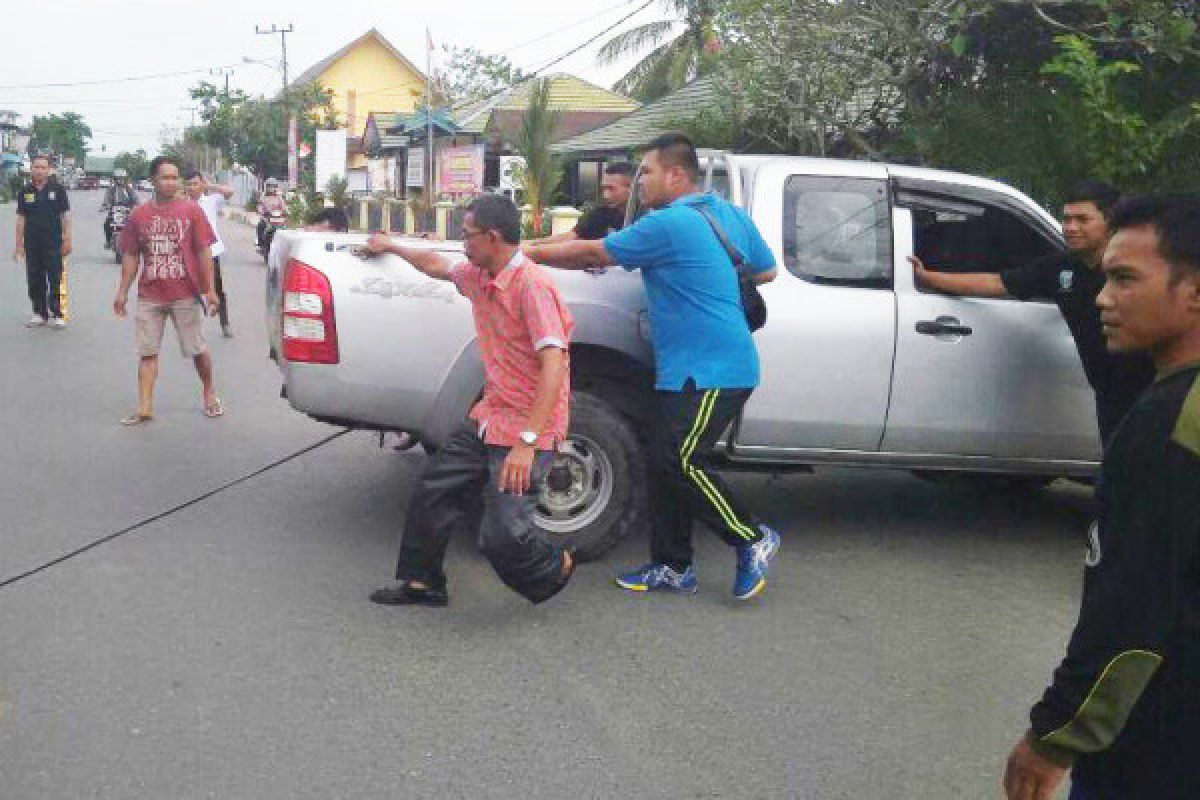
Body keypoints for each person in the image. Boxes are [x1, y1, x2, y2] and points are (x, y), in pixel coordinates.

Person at [523, 132, 782, 601]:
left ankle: (750, 537)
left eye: (647, 171)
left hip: (715, 368)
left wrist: (527, 254)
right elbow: (765, 271)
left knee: (681, 459)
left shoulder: (672, 223)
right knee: (663, 464)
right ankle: (672, 566)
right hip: (686, 366)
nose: (639, 180)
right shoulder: (725, 214)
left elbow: (594, 253)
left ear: (676, 175)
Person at [1002, 194, 1200, 800]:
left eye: (1124, 279)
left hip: (1160, 745)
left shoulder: (1169, 428)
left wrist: (1056, 733)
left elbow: (1130, 613)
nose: (1101, 298)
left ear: (1194, 292)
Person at [361, 194, 575, 608]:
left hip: (528, 429)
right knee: (434, 487)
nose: (462, 244)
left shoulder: (532, 288)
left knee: (501, 538)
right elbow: (435, 265)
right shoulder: (480, 275)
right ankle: (423, 584)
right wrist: (389, 245)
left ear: (493, 238)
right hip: (489, 417)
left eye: (467, 235)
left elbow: (555, 367)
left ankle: (555, 567)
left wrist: (527, 444)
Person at [911, 181, 1156, 446]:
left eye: (1082, 220)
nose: (1071, 227)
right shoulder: (1061, 267)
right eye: (1067, 219)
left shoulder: (1138, 266)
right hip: (1109, 394)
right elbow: (997, 283)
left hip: (1153, 390)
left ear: (1110, 222)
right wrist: (928, 278)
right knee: (1119, 466)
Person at [114, 155, 223, 425]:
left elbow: (204, 251)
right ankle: (144, 406)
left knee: (197, 349)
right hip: (150, 295)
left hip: (185, 294)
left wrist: (210, 290)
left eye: (175, 177)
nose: (171, 182)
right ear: (153, 180)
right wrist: (122, 292)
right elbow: (130, 256)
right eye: (165, 177)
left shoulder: (191, 211)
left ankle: (209, 393)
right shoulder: (139, 215)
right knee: (147, 351)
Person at [13, 154, 71, 329]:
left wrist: (67, 239)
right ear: (31, 169)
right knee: (35, 279)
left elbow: (64, 216)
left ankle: (58, 314)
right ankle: (39, 313)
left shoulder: (58, 189)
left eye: (42, 167)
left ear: (49, 170)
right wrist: (19, 245)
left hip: (53, 243)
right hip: (32, 244)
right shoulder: (25, 191)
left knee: (55, 278)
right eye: (36, 167)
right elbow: (21, 219)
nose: (39, 170)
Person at [526, 161, 634, 244]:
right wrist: (532, 245)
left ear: (632, 188)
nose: (605, 195)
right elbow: (572, 237)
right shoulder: (601, 214)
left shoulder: (646, 217)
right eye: (604, 189)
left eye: (611, 189)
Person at [184, 169, 236, 337]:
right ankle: (192, 327)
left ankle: (225, 323)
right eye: (189, 184)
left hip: (211, 251)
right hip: (189, 253)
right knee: (190, 290)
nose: (192, 187)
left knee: (217, 288)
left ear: (201, 184)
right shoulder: (182, 204)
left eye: (196, 183)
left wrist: (210, 185)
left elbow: (229, 191)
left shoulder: (211, 201)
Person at [102, 169, 138, 249]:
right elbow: (106, 199)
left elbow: (135, 199)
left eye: (122, 178)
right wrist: (105, 205)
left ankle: (136, 243)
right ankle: (108, 241)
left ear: (125, 179)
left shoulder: (129, 188)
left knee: (135, 225)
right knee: (107, 224)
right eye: (118, 178)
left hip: (127, 211)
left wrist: (136, 205)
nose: (120, 180)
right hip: (114, 211)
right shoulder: (111, 189)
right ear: (115, 179)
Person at [256, 180, 286, 248]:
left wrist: (285, 211)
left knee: (285, 228)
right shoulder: (263, 197)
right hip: (267, 218)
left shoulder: (279, 197)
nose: (271, 188)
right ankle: (260, 242)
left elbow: (283, 206)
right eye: (269, 186)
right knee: (261, 225)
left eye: (273, 186)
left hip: (278, 218)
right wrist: (262, 212)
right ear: (266, 187)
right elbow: (260, 207)